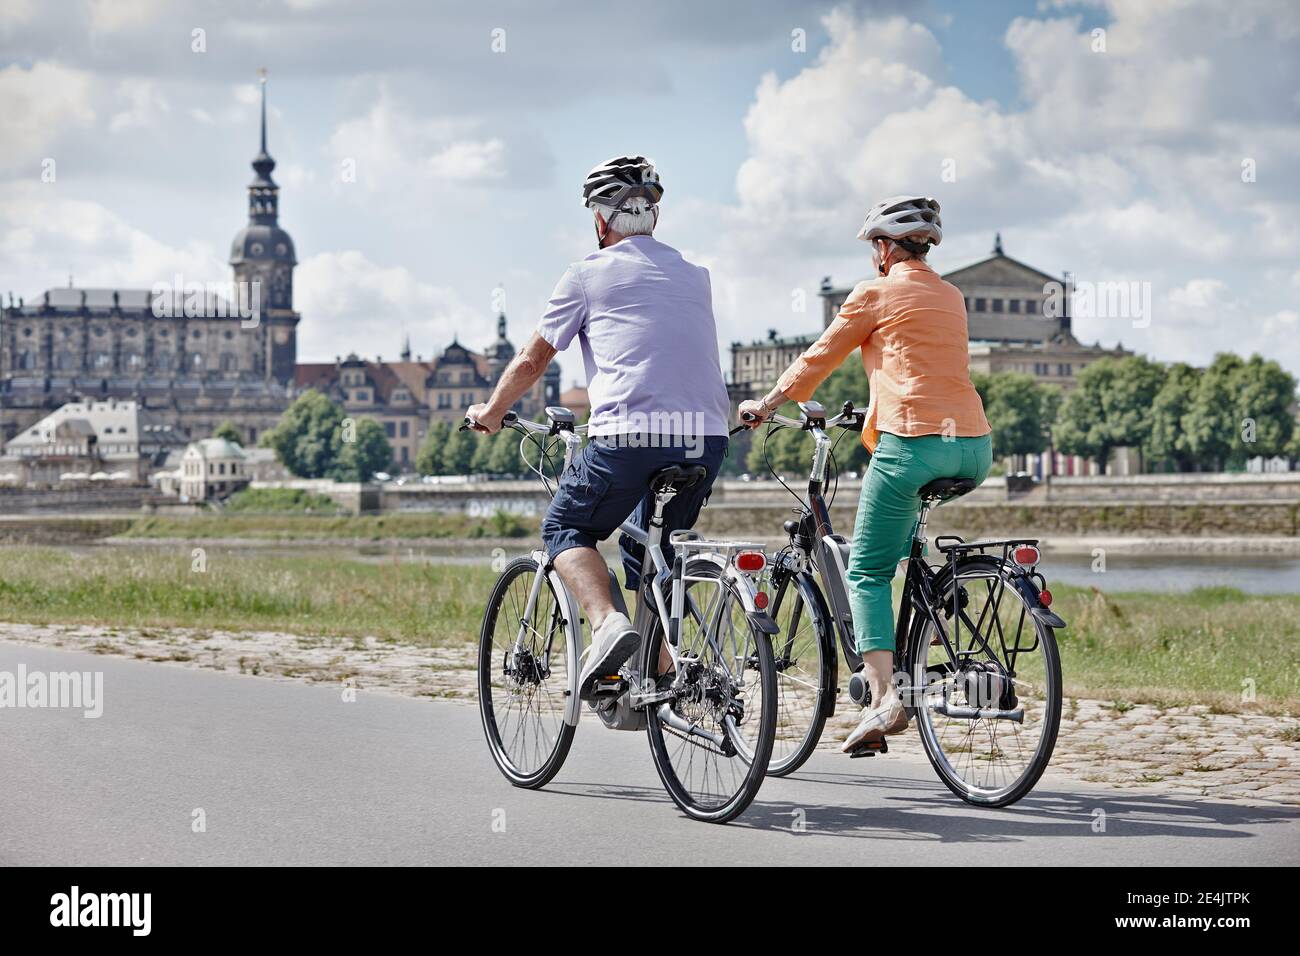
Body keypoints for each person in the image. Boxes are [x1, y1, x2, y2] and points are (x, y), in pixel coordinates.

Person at [466, 155, 731, 700]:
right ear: (653, 217)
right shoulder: (696, 275)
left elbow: (534, 361)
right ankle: (660, 677)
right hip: (706, 436)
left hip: (629, 435)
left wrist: (491, 412)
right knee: (651, 553)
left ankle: (608, 623)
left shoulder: (586, 273)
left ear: (600, 220)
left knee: (566, 530)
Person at [738, 195, 992, 752]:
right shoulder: (951, 295)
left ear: (883, 247)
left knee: (869, 572)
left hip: (912, 446)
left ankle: (885, 701)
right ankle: (933, 613)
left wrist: (768, 403)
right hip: (973, 447)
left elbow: (820, 357)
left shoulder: (874, 292)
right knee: (905, 546)